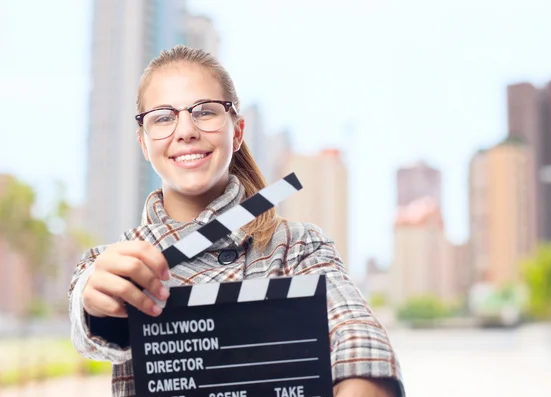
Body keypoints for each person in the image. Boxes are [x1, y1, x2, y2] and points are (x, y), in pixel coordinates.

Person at [68, 44, 405, 397]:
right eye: (164, 117)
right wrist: (96, 300)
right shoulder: (113, 262)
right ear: (143, 142)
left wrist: (363, 382)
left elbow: (358, 340)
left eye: (205, 112)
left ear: (238, 131)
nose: (186, 130)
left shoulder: (298, 246)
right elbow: (92, 333)